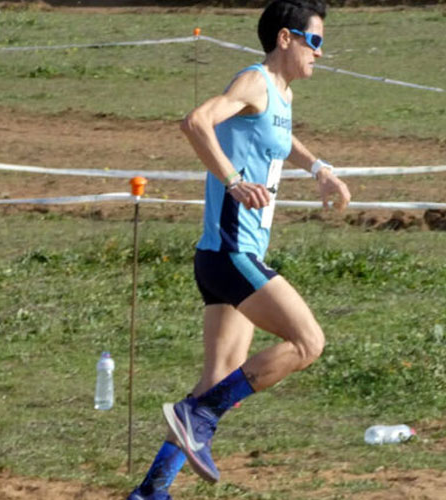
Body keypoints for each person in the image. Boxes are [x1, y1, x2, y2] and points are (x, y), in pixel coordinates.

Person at [128, 0, 350, 497]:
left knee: (218, 378)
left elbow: (279, 139)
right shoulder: (254, 81)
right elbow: (196, 122)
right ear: (286, 39)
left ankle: (150, 491)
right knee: (307, 343)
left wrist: (320, 170)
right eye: (314, 41)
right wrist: (231, 180)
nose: (320, 52)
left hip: (220, 256)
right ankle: (198, 416)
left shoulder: (280, 94)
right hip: (232, 256)